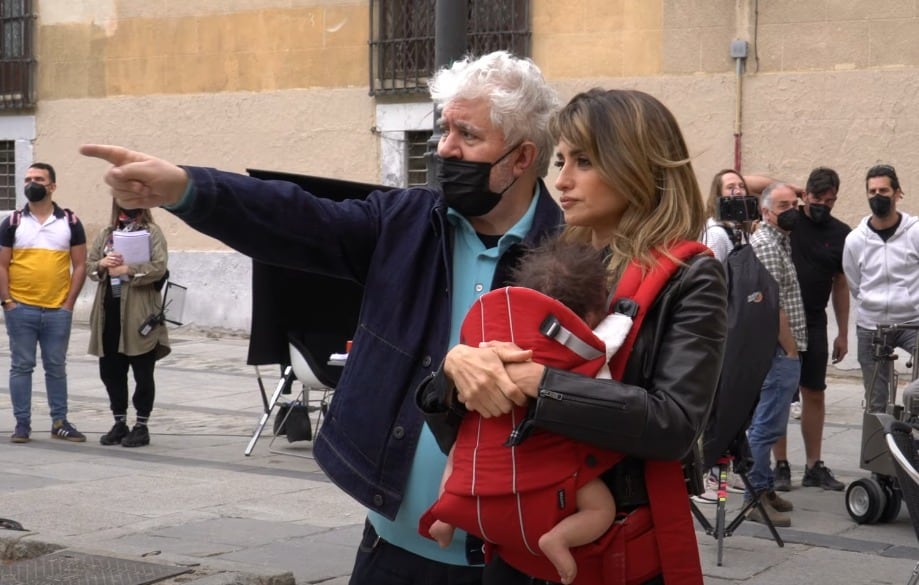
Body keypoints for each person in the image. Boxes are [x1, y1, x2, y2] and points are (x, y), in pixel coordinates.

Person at [81, 50, 562, 585]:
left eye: (467, 136)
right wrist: (187, 189)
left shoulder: (574, 255)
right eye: (443, 128)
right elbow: (300, 217)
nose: (444, 147)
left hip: (520, 560)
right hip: (394, 548)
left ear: (522, 159)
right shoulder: (405, 223)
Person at [418, 88, 727, 585]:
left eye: (583, 162)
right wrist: (455, 373)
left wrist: (542, 382)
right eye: (561, 160)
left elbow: (673, 425)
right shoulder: (548, 259)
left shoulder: (692, 276)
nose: (561, 180)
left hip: (609, 550)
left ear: (638, 165)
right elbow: (484, 411)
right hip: (515, 541)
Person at [423, 239, 629, 585]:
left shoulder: (495, 341)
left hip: (485, 453)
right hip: (549, 465)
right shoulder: (588, 350)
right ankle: (560, 539)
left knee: (457, 454)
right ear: (594, 311)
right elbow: (606, 396)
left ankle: (445, 516)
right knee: (601, 508)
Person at [769, 167, 849, 492]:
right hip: (782, 320)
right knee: (780, 393)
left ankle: (815, 465)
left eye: (829, 201)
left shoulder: (841, 232)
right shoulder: (789, 220)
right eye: (816, 198)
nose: (822, 206)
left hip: (815, 320)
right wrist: (790, 190)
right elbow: (757, 188)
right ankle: (781, 465)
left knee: (813, 391)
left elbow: (841, 284)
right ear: (806, 195)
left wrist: (843, 332)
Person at [0, 162, 87, 443]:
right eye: (27, 179)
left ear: (52, 186)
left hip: (57, 310)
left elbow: (80, 265)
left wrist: (69, 304)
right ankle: (22, 424)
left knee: (56, 367)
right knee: (21, 366)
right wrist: (8, 301)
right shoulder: (12, 222)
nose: (31, 183)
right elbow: (2, 265)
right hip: (20, 308)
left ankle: (59, 422)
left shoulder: (70, 222)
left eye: (38, 178)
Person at [745, 182, 807, 527]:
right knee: (766, 426)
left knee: (772, 421)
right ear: (766, 212)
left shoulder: (780, 241)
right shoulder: (767, 245)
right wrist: (791, 349)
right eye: (783, 205)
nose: (792, 209)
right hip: (778, 349)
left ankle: (765, 487)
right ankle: (754, 498)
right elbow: (775, 305)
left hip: (782, 348)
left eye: (794, 203)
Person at [87, 201, 171, 448]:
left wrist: (128, 269)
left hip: (139, 312)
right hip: (109, 311)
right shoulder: (106, 233)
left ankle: (141, 425)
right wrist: (103, 265)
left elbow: (159, 267)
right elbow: (90, 266)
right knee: (111, 371)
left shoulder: (152, 232)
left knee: (143, 372)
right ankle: (119, 421)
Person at [843, 164, 919, 414]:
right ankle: (878, 451)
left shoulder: (915, 232)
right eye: (872, 191)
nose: (878, 196)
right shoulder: (855, 240)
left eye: (884, 190)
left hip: (913, 322)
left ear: (897, 193)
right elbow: (854, 282)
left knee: (916, 398)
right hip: (872, 325)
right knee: (876, 401)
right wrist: (870, 302)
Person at [700, 169, 754, 263]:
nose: (738, 191)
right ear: (719, 195)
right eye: (730, 187)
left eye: (742, 186)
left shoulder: (740, 228)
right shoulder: (715, 233)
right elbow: (712, 272)